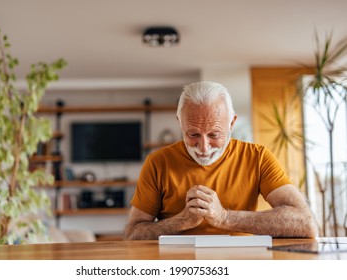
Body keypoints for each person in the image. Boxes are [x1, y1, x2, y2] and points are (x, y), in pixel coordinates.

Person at [124, 81, 318, 240]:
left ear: (232, 123)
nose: (204, 147)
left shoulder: (257, 157)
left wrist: (225, 217)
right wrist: (181, 221)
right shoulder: (158, 162)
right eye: (193, 134)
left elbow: (305, 223)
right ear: (179, 122)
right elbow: (133, 234)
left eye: (214, 134)